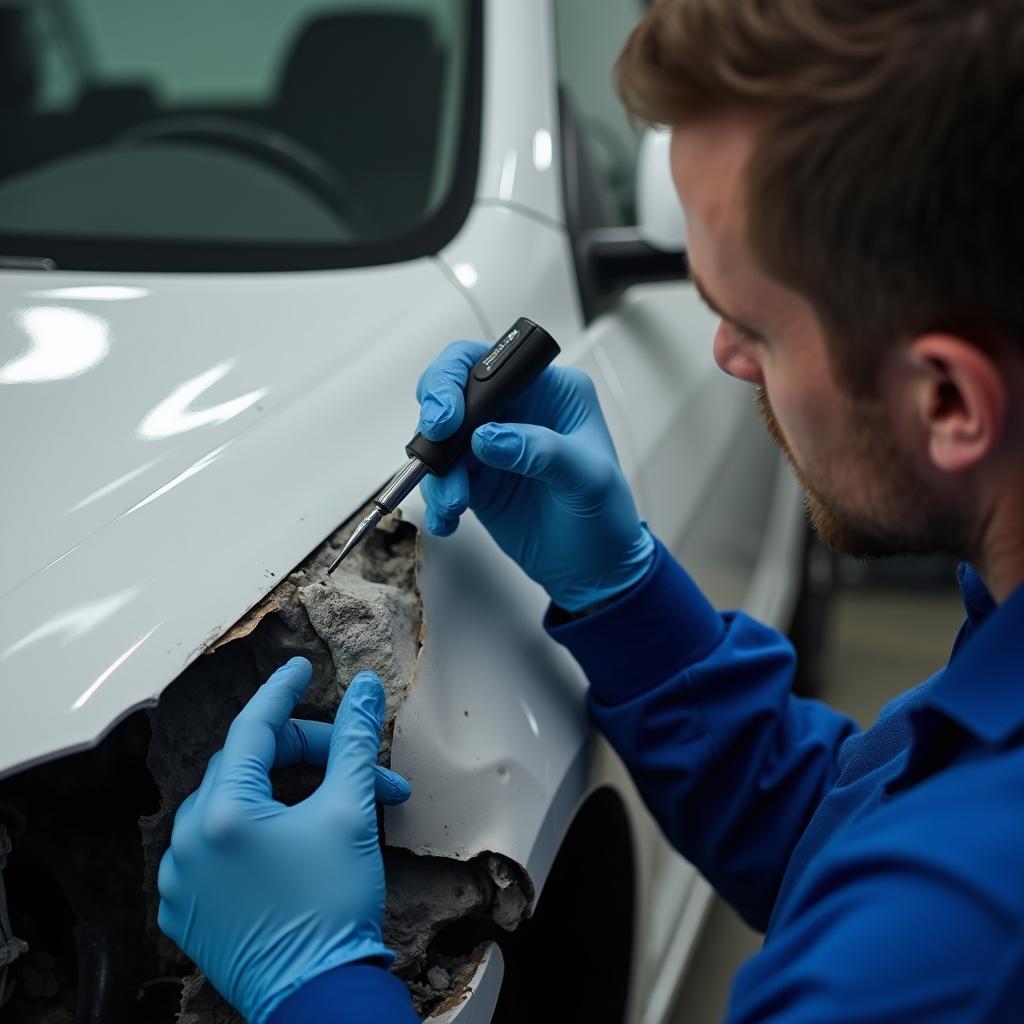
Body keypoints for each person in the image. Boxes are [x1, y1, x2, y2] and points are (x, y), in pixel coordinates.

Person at [156, 1, 1024, 1021]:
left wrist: (318, 989)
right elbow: (845, 832)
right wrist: (624, 599)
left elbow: (906, 912)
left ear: (950, 402)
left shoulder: (944, 949)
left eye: (752, 327)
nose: (724, 358)